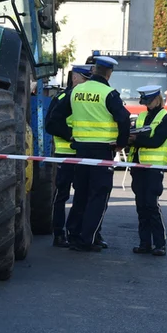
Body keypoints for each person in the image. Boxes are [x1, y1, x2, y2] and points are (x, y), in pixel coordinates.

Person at [62, 56, 130, 252]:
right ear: (109, 73)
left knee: (81, 194)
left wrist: (71, 136)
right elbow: (124, 119)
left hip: (80, 150)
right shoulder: (109, 93)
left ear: (93, 70)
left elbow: (57, 117)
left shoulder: (76, 91)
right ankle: (87, 239)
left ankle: (73, 235)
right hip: (101, 151)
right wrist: (121, 144)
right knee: (98, 195)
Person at [44, 64, 92, 248]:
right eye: (84, 79)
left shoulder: (85, 98)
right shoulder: (64, 97)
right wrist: (70, 134)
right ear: (75, 78)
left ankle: (75, 232)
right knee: (61, 196)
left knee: (82, 195)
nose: (87, 83)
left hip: (82, 154)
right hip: (65, 154)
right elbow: (51, 124)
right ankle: (58, 233)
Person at [130, 85, 167, 256]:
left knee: (151, 205)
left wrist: (135, 140)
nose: (146, 105)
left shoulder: (166, 118)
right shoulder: (141, 116)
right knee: (141, 206)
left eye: (148, 101)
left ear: (157, 99)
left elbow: (156, 141)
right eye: (144, 101)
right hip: (138, 166)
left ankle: (159, 244)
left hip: (154, 168)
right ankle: (144, 243)